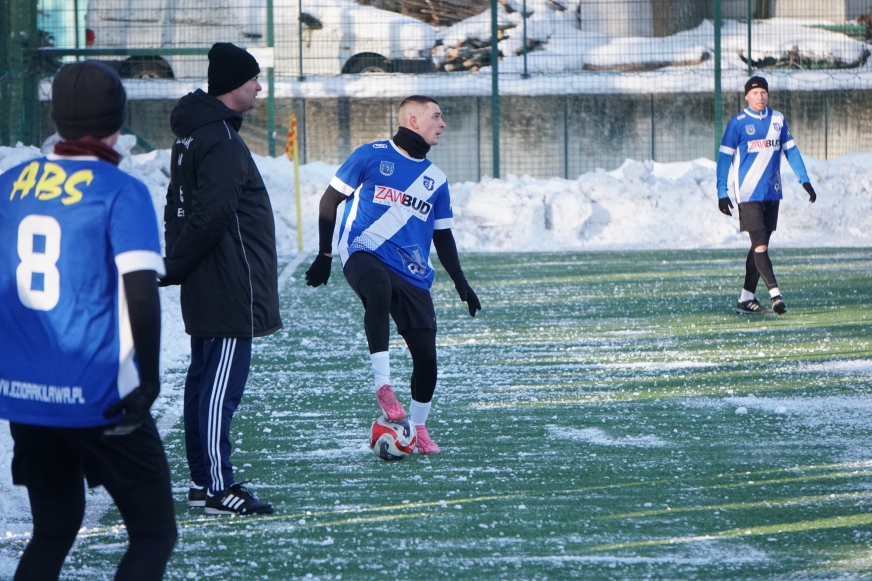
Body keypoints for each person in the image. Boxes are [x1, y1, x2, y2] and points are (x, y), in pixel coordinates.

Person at [0, 61, 176, 580]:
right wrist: (146, 379)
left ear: (55, 116)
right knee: (153, 533)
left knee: (52, 532)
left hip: (27, 394)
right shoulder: (120, 189)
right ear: (119, 117)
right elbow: (142, 296)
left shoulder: (8, 183)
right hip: (101, 393)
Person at [305, 95, 481, 454]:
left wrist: (461, 283)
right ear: (413, 121)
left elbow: (443, 235)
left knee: (427, 359)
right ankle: (383, 386)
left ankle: (418, 428)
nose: (442, 124)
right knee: (378, 290)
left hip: (413, 271)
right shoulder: (370, 155)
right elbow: (329, 201)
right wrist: (324, 255)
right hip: (362, 250)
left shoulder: (436, 180)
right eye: (437, 116)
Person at [162, 42, 281, 515]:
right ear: (234, 85)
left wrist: (178, 265)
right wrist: (176, 267)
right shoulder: (223, 142)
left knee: (203, 382)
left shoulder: (194, 135)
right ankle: (216, 486)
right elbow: (209, 215)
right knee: (218, 390)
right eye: (253, 79)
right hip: (229, 283)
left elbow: (177, 208)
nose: (258, 87)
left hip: (211, 280)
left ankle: (202, 481)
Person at [716, 75, 817, 315]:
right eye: (755, 93)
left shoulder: (778, 120)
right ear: (746, 96)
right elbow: (724, 159)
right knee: (760, 246)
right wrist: (722, 191)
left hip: (772, 193)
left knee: (758, 247)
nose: (760, 97)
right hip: (748, 195)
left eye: (763, 92)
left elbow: (791, 151)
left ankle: (746, 299)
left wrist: (805, 180)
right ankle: (776, 295)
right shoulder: (737, 123)